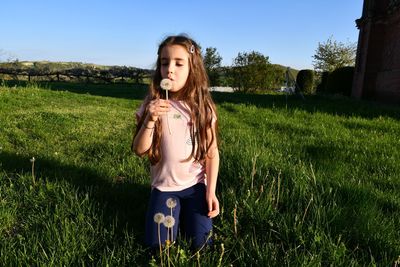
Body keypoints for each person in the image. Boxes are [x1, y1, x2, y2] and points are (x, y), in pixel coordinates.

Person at [131, 35, 220, 250]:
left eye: (179, 64)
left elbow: (212, 153)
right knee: (158, 249)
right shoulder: (153, 104)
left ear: (193, 68)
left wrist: (210, 192)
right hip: (164, 188)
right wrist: (150, 119)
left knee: (202, 245)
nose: (170, 69)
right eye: (164, 63)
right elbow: (139, 149)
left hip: (195, 186)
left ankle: (188, 219)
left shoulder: (202, 108)